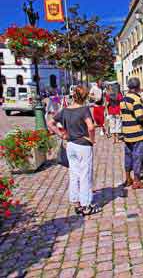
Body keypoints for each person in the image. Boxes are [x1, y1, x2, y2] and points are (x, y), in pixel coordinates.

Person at [47, 85, 100, 216]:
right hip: (83, 144)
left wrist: (61, 135)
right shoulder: (84, 110)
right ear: (85, 97)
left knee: (74, 173)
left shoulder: (65, 111)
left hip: (70, 144)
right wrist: (92, 139)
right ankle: (86, 205)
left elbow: (50, 123)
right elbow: (91, 127)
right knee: (85, 175)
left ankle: (76, 202)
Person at [120, 78, 143, 189]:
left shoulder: (124, 99)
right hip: (137, 133)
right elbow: (140, 117)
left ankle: (128, 178)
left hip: (126, 132)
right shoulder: (136, 99)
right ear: (138, 87)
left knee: (128, 156)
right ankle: (137, 181)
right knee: (137, 156)